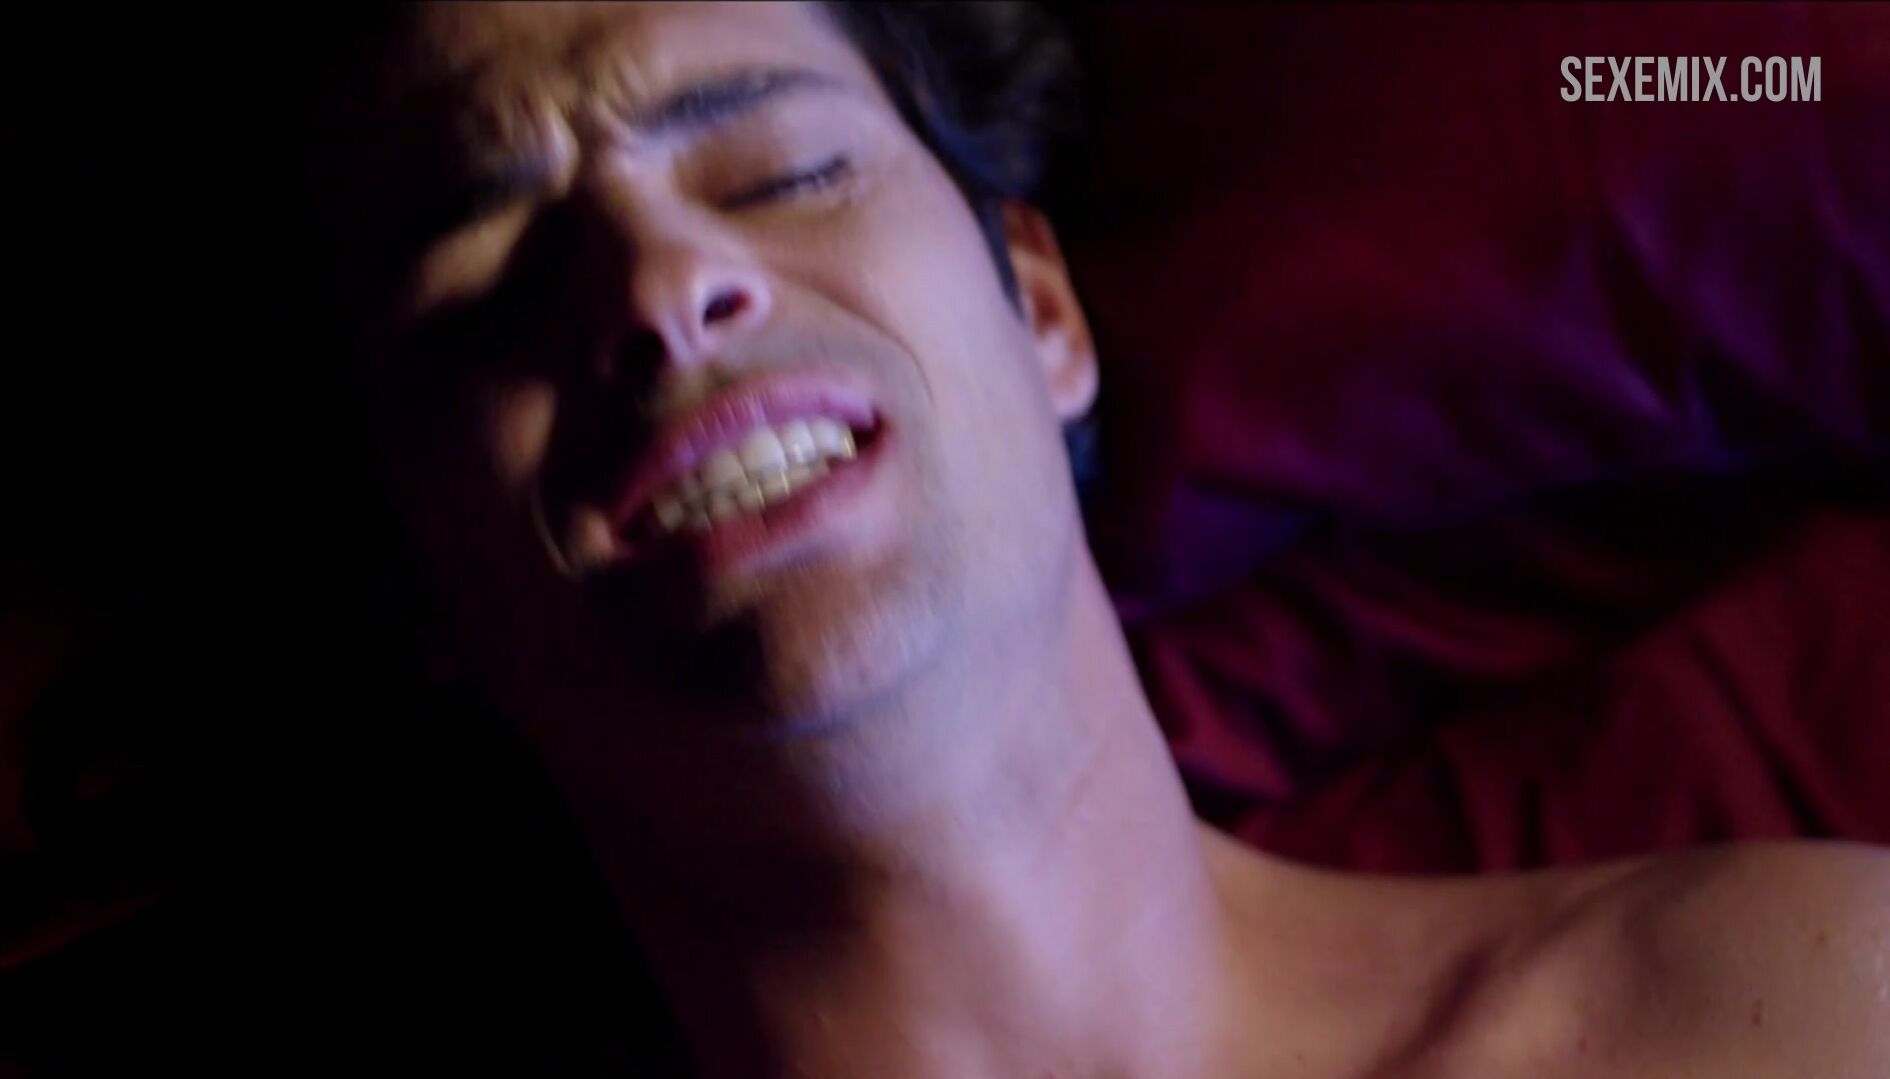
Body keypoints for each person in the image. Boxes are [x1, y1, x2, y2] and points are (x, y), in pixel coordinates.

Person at [300, 3, 1890, 1076]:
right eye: (486, 291)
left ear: (1042, 310)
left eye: (782, 171)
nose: (656, 284)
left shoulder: (1805, 1000)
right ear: (419, 588)